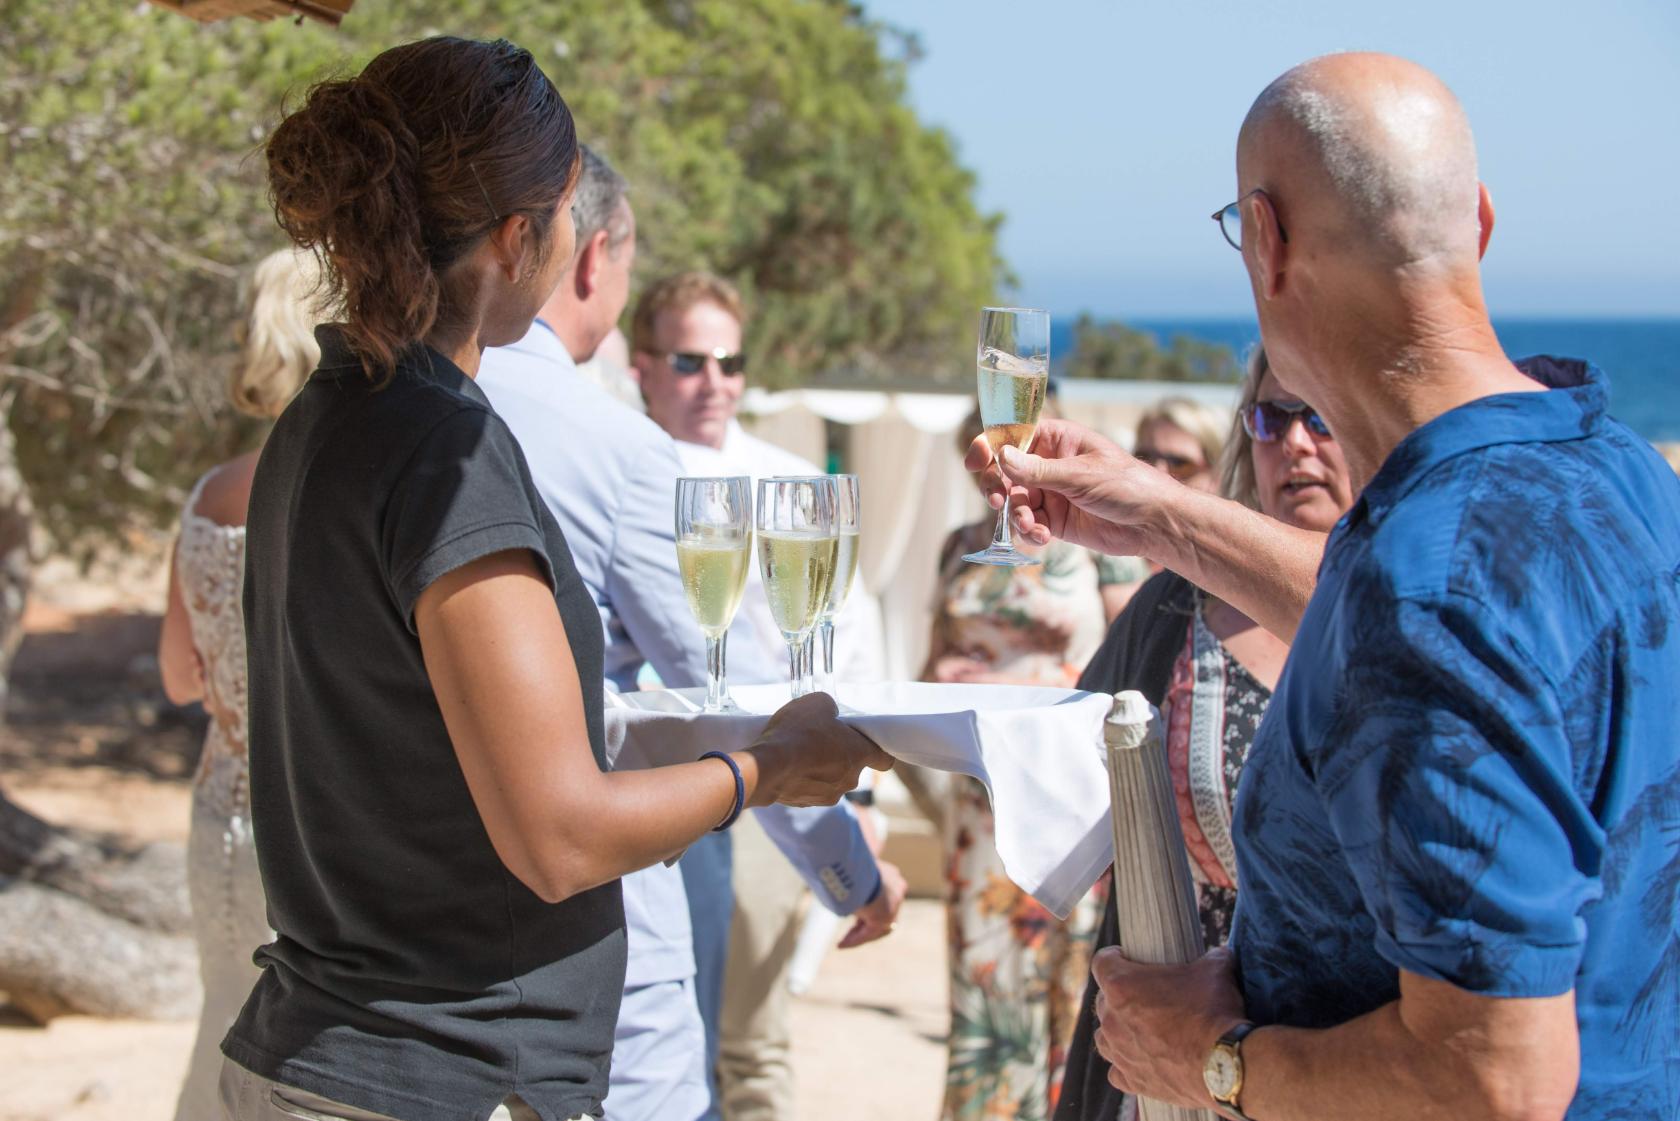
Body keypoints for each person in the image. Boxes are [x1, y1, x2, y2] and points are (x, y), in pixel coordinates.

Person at [972, 51, 1680, 1121]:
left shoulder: (1427, 584)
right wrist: (1153, 511)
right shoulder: (1614, 469)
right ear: (1480, 223)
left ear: (1268, 241)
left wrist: (1211, 1058)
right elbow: (1430, 635)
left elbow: (1492, 1077)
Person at [221, 37, 890, 1121]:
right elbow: (560, 836)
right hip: (437, 1068)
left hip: (319, 1045)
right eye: (570, 210)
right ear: (518, 236)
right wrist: (771, 766)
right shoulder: (443, 448)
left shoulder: (324, 414)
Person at [475, 146, 903, 1121]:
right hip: (593, 919)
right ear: (593, 258)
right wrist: (851, 869)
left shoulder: (403, 417)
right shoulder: (622, 451)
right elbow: (739, 700)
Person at [1054, 346, 1353, 1121]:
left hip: (1342, 1063)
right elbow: (1067, 775)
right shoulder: (1171, 609)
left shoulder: (1423, 622)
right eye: (1271, 418)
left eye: (1320, 415)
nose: (1295, 441)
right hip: (1165, 1069)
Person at [630, 270, 892, 1121]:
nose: (714, 381)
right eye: (689, 360)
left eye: (730, 362)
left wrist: (862, 801)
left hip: (768, 792)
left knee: (748, 1039)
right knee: (653, 1042)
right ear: (641, 365)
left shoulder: (790, 484)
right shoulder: (617, 479)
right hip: (639, 797)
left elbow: (848, 644)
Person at [913, 405, 1131, 1121]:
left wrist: (1020, 696)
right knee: (988, 995)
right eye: (985, 449)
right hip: (981, 808)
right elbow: (927, 668)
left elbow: (1133, 678)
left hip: (1074, 800)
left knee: (1077, 993)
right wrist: (938, 685)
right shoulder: (957, 546)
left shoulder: (1104, 545)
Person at [158, 246, 321, 1121]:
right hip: (310, 834)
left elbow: (179, 678)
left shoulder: (209, 494)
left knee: (220, 1031)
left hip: (219, 816)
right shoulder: (336, 495)